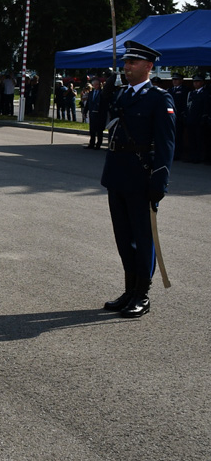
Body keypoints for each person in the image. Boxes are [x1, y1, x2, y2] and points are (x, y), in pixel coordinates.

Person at [100, 41, 175, 319]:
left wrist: (160, 180)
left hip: (141, 177)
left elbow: (166, 144)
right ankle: (129, 289)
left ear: (148, 66)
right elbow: (99, 119)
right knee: (123, 237)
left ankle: (142, 294)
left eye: (133, 63)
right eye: (126, 63)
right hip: (117, 174)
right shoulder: (121, 96)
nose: (126, 67)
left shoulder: (159, 98)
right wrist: (106, 92)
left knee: (143, 237)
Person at [85, 76, 106, 149]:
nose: (96, 86)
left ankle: (98, 144)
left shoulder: (102, 93)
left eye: (98, 84)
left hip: (99, 114)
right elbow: (88, 103)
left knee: (99, 130)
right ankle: (92, 143)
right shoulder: (91, 93)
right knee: (92, 130)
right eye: (95, 84)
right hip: (92, 113)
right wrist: (85, 111)